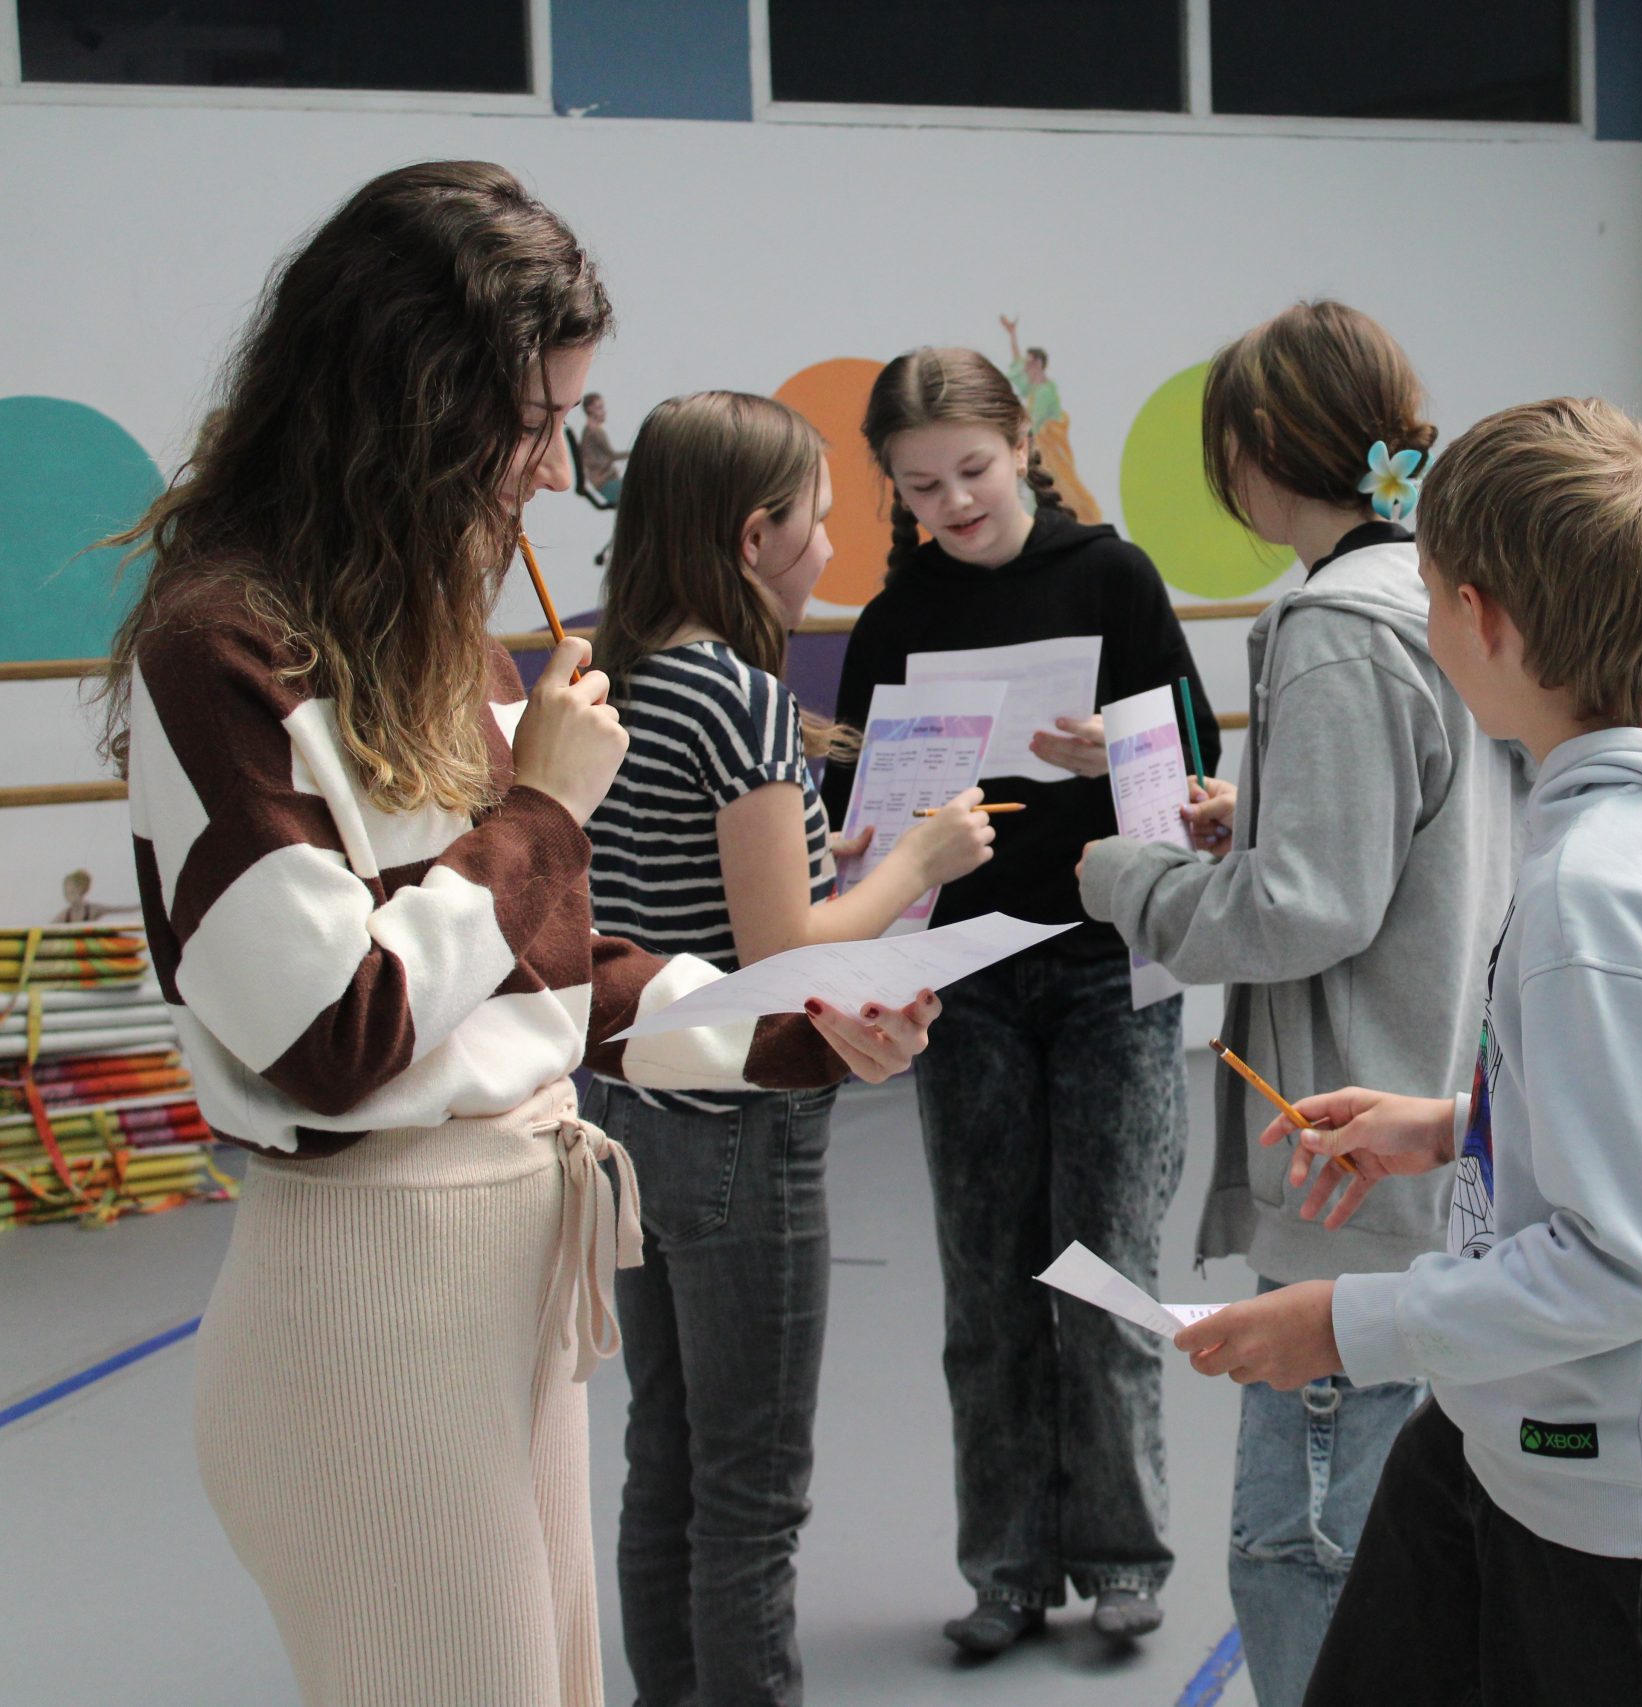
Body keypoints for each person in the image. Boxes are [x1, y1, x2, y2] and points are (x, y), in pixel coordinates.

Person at [97, 162, 937, 1707]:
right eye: (534, 422)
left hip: (507, 1293)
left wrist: (797, 1032)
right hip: (371, 1314)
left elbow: (549, 981)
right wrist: (540, 811)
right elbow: (336, 1034)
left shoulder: (440, 642)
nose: (555, 472)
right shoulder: (216, 651)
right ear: (408, 406)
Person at [1169, 396, 1642, 1707]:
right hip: (1517, 1434)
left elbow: (1630, 1258)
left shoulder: (1601, 889)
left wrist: (1345, 1323)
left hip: (1625, 1506)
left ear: (1482, 619)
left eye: (1429, 593)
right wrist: (1454, 1122)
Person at [1077, 300, 1524, 1707]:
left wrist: (1131, 878)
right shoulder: (1436, 595)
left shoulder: (1332, 624)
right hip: (1436, 1128)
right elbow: (1406, 844)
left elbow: (1308, 910)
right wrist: (1256, 817)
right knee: (1408, 1536)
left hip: (1349, 1167)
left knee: (1307, 1544)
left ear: (1259, 444)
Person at [582, 391, 997, 1706]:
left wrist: (831, 855)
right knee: (751, 1488)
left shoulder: (615, 676)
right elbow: (785, 955)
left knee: (666, 1455)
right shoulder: (742, 697)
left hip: (626, 1105)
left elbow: (692, 886)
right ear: (757, 534)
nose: (830, 547)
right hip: (736, 1130)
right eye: (819, 520)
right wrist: (922, 859)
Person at [819, 346, 1219, 1655]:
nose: (953, 503)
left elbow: (1199, 755)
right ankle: (1005, 1567)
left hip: (1109, 967)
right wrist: (856, 846)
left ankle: (1123, 1554)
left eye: (973, 472)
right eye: (921, 486)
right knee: (988, 1288)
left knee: (1104, 1269)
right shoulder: (895, 618)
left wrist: (1124, 745)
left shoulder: (1111, 576)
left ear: (1024, 451)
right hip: (965, 984)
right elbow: (854, 807)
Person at [999, 316, 1104, 523]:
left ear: (1038, 364)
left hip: (1050, 453)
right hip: (1040, 452)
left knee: (1060, 489)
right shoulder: (1035, 388)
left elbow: (1034, 421)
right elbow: (1018, 368)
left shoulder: (1047, 392)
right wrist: (1012, 335)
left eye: (1030, 364)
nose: (1026, 368)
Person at [579, 392, 628, 504]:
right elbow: (612, 455)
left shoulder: (587, 431)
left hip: (605, 482)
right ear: (590, 409)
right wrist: (637, 452)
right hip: (606, 483)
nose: (604, 412)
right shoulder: (595, 432)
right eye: (599, 408)